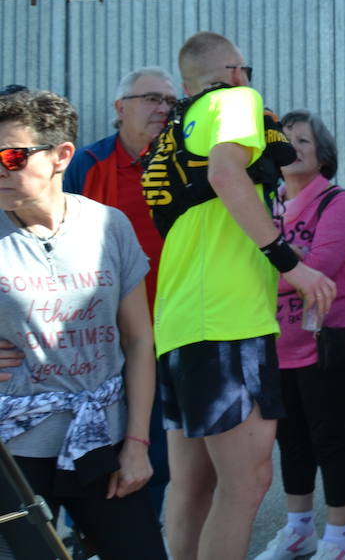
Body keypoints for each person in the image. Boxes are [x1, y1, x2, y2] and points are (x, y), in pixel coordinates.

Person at [146, 32, 336, 560]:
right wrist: (290, 264)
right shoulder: (234, 100)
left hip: (184, 322)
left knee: (193, 486)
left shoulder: (178, 126)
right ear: (233, 70)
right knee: (247, 482)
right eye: (244, 69)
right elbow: (227, 172)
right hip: (227, 324)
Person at [0, 90, 165, 559]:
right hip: (14, 458)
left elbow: (138, 339)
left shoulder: (107, 226)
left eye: (11, 155)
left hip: (104, 444)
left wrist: (136, 443)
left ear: (61, 156)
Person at [63, 65, 178, 515]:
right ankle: (83, 529)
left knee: (156, 450)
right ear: (120, 108)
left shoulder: (183, 166)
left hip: (170, 330)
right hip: (101, 335)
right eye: (152, 98)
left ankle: (145, 530)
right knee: (91, 446)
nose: (163, 109)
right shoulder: (87, 166)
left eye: (169, 102)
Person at [253, 111, 345, 560]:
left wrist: (277, 266)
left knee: (331, 436)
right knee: (291, 439)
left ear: (323, 155)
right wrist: (289, 264)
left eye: (304, 140)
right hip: (278, 343)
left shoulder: (338, 202)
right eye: (287, 140)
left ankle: (338, 539)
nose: (293, 147)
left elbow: (317, 270)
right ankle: (299, 528)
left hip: (329, 341)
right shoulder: (267, 204)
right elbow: (266, 270)